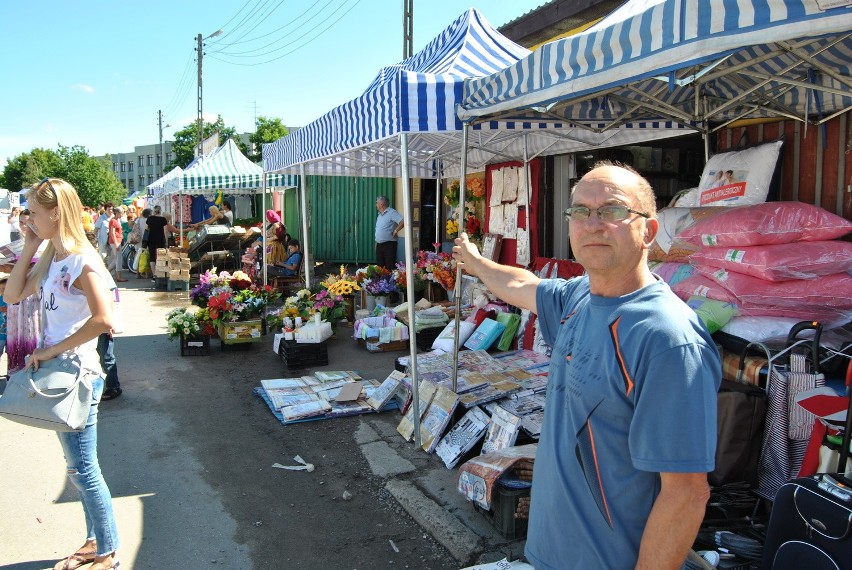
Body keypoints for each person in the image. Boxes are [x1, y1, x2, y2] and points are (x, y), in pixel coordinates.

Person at [452, 162, 721, 569]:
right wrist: (476, 262)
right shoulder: (578, 298)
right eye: (580, 211)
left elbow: (685, 494)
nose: (592, 224)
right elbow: (522, 285)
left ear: (648, 231)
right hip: (548, 552)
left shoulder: (667, 339)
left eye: (612, 211)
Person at [4, 177, 120, 570]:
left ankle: (107, 553)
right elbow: (11, 295)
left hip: (77, 376)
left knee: (84, 470)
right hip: (61, 374)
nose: (29, 220)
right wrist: (33, 246)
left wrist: (51, 349)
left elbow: (104, 319)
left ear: (56, 212)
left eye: (35, 214)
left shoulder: (81, 259)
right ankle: (95, 541)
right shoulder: (55, 255)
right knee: (78, 469)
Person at [375, 195, 403, 270]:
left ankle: (390, 281)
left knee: (389, 266)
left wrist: (396, 230)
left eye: (377, 203)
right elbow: (378, 230)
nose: (376, 205)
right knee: (380, 267)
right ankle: (381, 282)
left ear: (382, 204)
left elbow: (402, 221)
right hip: (379, 245)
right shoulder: (380, 215)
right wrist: (377, 243)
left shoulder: (391, 212)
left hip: (389, 244)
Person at [145, 205, 167, 273]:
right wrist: (166, 241)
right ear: (160, 211)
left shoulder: (150, 218)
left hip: (151, 239)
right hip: (160, 239)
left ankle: (154, 274)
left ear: (154, 211)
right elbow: (165, 231)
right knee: (161, 256)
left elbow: (146, 229)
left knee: (152, 257)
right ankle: (160, 273)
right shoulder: (163, 219)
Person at [107, 207, 127, 283]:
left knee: (116, 259)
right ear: (118, 213)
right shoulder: (113, 221)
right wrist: (116, 243)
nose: (122, 215)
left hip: (117, 241)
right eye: (121, 213)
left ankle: (110, 274)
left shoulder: (116, 220)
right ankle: (118, 276)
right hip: (115, 242)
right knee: (118, 259)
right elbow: (112, 233)